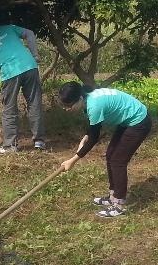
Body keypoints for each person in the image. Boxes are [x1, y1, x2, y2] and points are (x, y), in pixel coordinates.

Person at [57, 82, 152, 218]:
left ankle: (118, 204)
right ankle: (113, 196)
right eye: (64, 106)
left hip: (139, 121)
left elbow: (94, 138)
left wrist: (73, 160)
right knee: (110, 155)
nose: (67, 109)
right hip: (128, 120)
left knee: (117, 161)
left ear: (79, 99)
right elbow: (93, 127)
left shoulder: (94, 105)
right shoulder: (89, 98)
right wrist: (86, 136)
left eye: (69, 105)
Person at [0, 21, 45, 154]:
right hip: (30, 66)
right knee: (34, 103)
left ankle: (10, 146)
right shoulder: (7, 28)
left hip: (10, 72)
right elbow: (29, 33)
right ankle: (39, 141)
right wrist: (34, 54)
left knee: (9, 109)